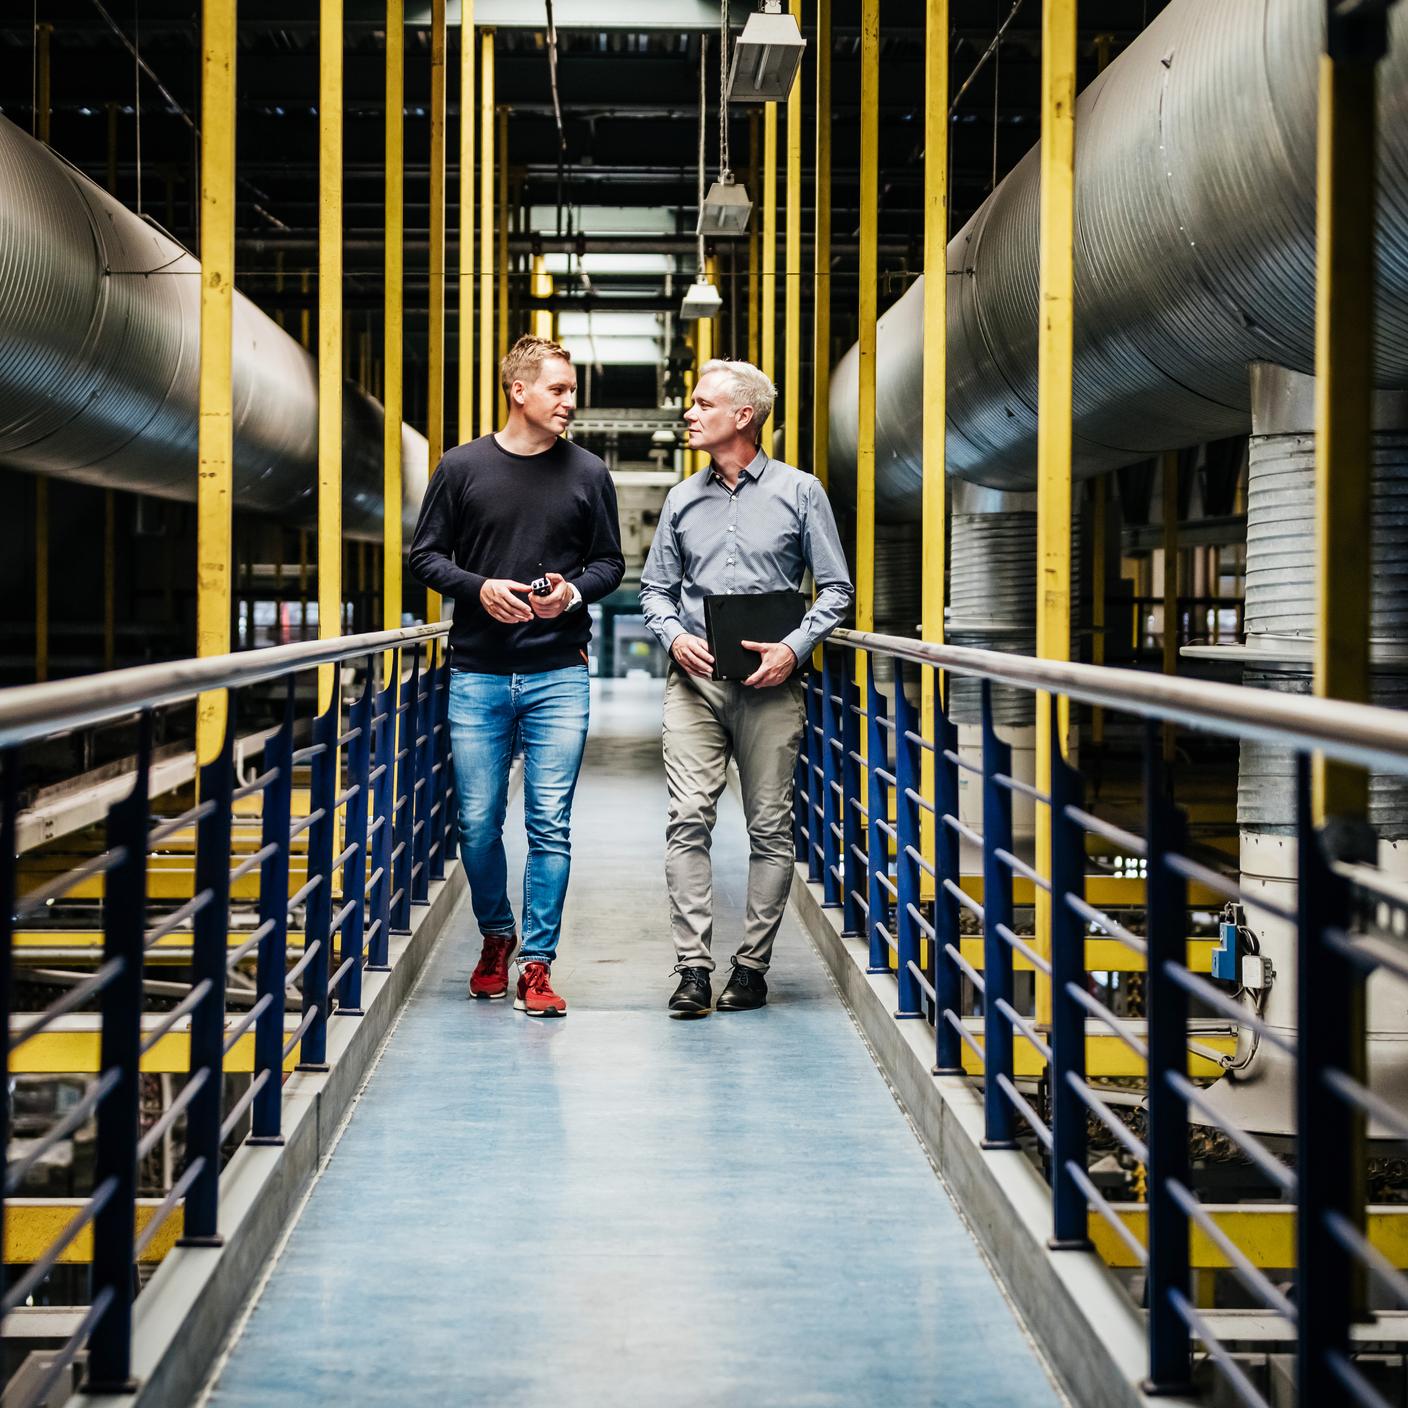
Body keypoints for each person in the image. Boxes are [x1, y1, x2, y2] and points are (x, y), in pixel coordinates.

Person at [409, 335, 624, 1018]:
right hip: (477, 672)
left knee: (549, 825)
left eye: (570, 389)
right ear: (518, 391)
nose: (570, 401)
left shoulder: (589, 473)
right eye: (558, 389)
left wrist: (573, 594)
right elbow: (425, 556)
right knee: (476, 824)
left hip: (558, 672)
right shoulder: (462, 466)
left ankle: (536, 963)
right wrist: (478, 589)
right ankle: (495, 935)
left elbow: (610, 564)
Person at [640, 358, 853, 1018]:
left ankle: (753, 967)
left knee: (770, 827)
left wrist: (794, 649)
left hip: (770, 686)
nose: (690, 412)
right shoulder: (681, 499)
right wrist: (674, 635)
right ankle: (693, 969)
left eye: (703, 403)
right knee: (687, 820)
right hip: (695, 685)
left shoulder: (800, 492)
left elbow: (836, 589)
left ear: (743, 417)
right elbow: (654, 589)